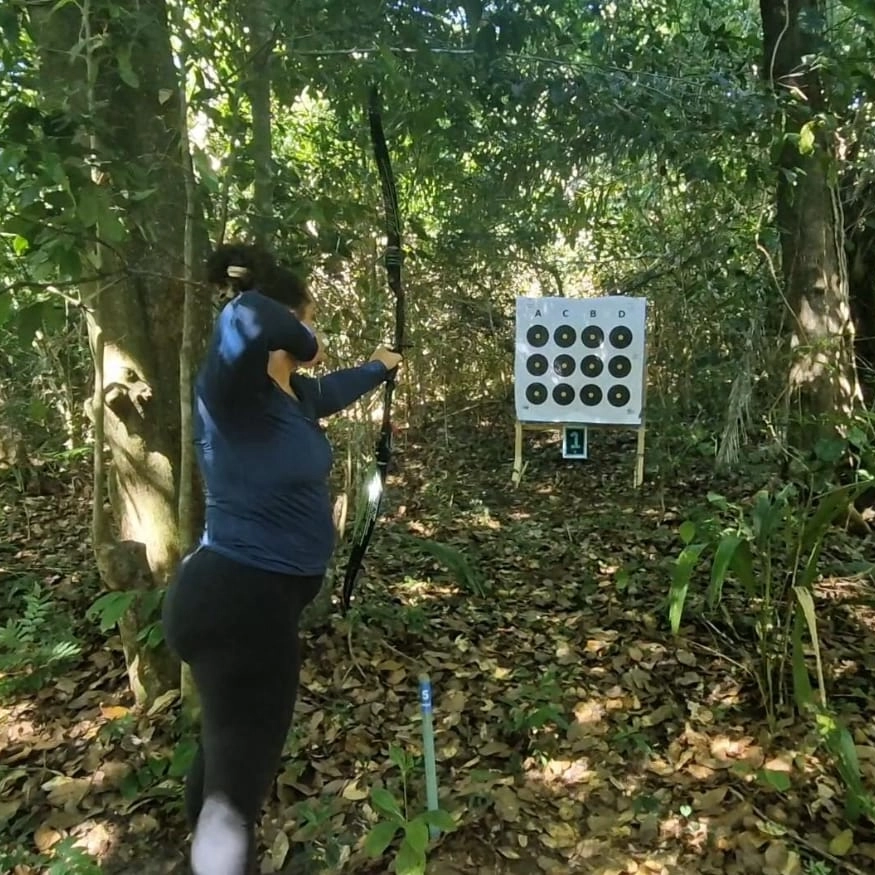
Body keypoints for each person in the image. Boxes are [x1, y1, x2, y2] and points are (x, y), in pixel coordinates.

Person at [161, 242, 403, 875]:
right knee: (234, 801)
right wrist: (302, 332)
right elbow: (248, 318)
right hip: (241, 604)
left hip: (249, 603)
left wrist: (378, 366)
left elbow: (332, 390)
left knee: (222, 771)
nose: (313, 333)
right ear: (288, 326)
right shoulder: (231, 392)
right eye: (309, 319)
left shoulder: (288, 397)